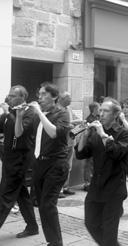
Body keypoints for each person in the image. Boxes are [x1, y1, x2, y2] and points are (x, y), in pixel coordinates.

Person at [75, 97, 128, 246]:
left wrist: (103, 134)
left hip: (114, 189)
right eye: (100, 110)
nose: (101, 114)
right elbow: (80, 154)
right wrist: (85, 135)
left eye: (105, 111)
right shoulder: (94, 133)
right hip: (96, 186)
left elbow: (117, 153)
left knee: (109, 232)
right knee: (90, 223)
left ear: (115, 114)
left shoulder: (124, 133)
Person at [26, 82, 71, 246]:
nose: (40, 97)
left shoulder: (62, 113)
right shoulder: (38, 115)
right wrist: (17, 115)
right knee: (41, 204)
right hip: (39, 164)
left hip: (56, 164)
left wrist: (38, 111)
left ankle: (56, 242)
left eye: (44, 94)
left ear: (54, 97)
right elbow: (22, 133)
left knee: (47, 204)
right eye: (39, 94)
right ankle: (52, 241)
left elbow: (53, 133)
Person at [0, 85, 39, 238]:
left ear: (22, 97)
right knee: (22, 195)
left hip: (20, 161)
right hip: (9, 159)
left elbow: (19, 132)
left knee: (5, 196)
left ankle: (32, 226)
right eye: (8, 95)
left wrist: (7, 113)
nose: (8, 97)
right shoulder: (9, 113)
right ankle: (32, 226)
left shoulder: (30, 113)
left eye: (12, 95)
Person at [58, 92, 82, 197]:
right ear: (63, 99)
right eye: (69, 97)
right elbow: (61, 125)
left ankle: (65, 187)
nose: (71, 99)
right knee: (61, 166)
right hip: (63, 142)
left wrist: (76, 123)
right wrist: (73, 123)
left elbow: (69, 122)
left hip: (71, 140)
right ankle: (58, 190)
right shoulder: (57, 109)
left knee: (68, 166)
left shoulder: (68, 108)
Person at [82, 102, 100, 191]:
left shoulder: (96, 118)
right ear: (94, 109)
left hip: (94, 144)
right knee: (88, 164)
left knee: (92, 164)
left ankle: (91, 182)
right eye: (98, 108)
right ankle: (87, 183)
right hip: (90, 145)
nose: (100, 110)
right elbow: (91, 134)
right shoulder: (90, 119)